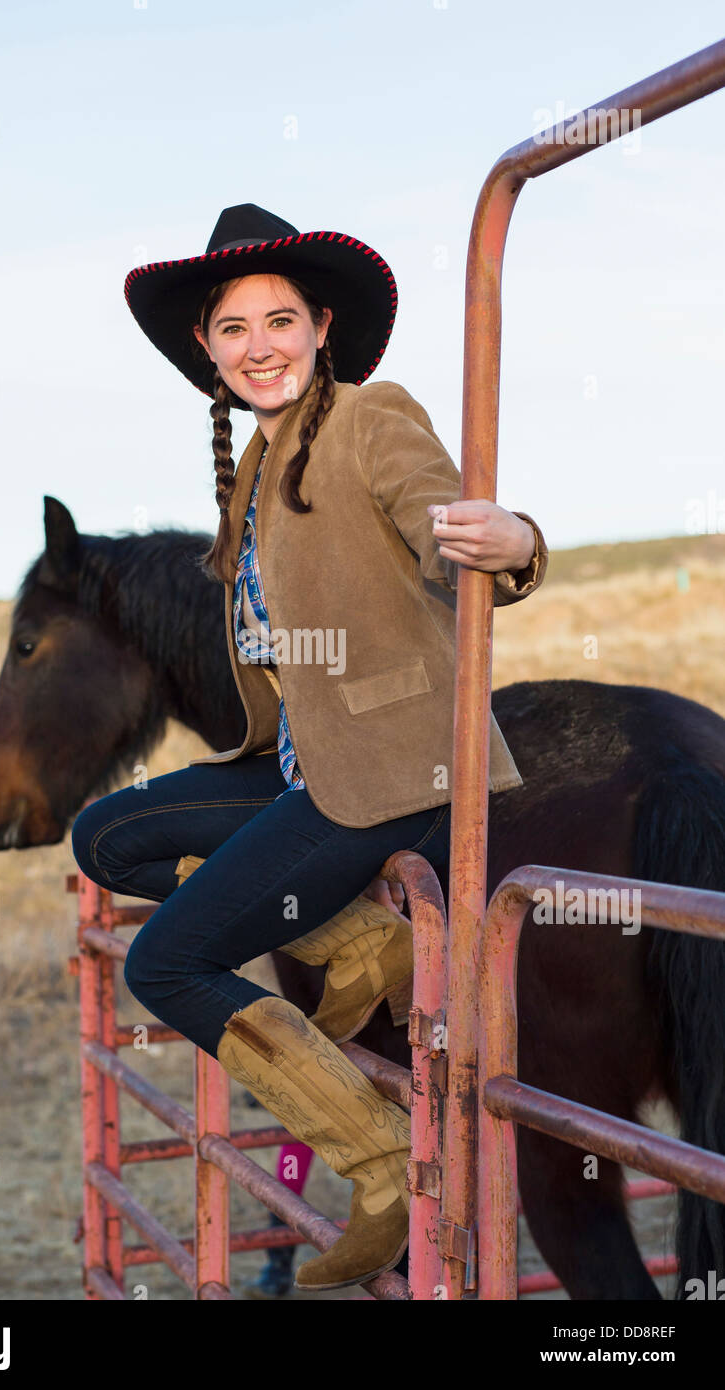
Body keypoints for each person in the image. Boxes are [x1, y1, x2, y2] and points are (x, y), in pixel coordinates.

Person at [71, 203, 548, 1293]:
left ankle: (380, 1162)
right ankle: (342, 941)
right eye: (233, 330)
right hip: (301, 760)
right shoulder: (253, 466)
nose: (259, 347)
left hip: (393, 768)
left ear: (321, 324)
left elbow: (454, 527)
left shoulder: (372, 416)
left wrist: (513, 542)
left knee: (165, 961)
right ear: (207, 348)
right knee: (108, 832)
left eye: (279, 320)